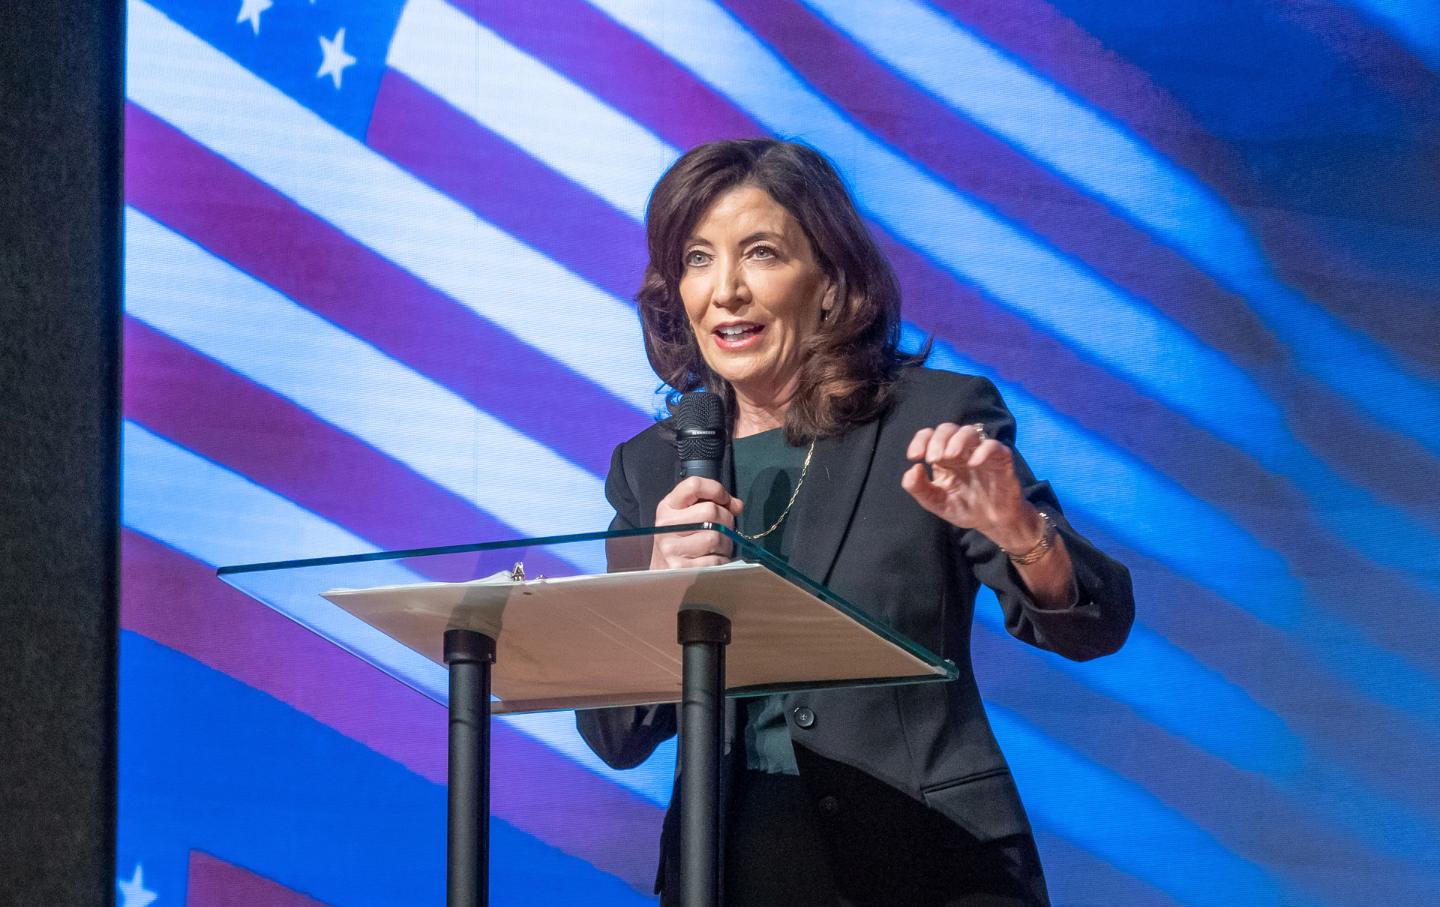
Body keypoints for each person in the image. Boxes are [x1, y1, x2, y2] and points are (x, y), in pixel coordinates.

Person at [577, 139, 1134, 906]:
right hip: (731, 869)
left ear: (831, 283)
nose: (726, 291)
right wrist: (654, 599)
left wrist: (1020, 531)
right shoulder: (652, 468)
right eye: (698, 259)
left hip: (928, 863)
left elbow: (1093, 625)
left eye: (761, 253)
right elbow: (613, 734)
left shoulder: (931, 417)